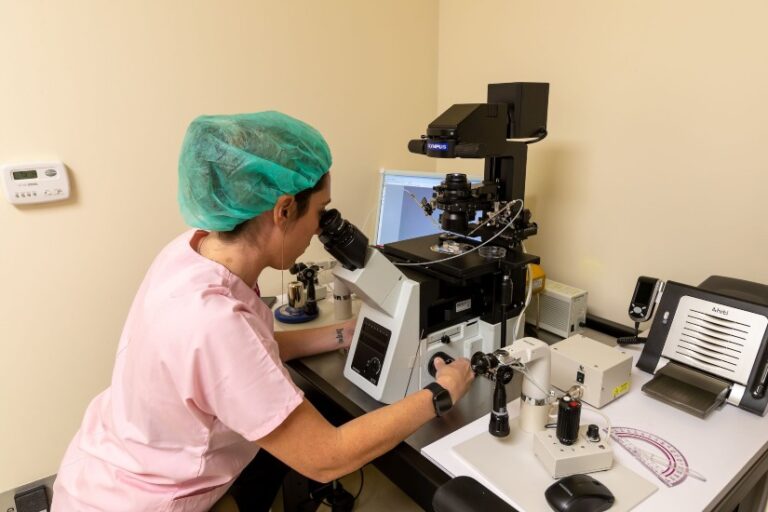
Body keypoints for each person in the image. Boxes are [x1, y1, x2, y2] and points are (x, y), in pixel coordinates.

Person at [51, 111, 475, 512]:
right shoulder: (213, 321)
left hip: (101, 467)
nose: (321, 227)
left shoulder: (191, 249)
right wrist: (441, 393)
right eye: (320, 212)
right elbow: (327, 457)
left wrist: (345, 333)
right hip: (145, 501)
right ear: (284, 209)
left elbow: (246, 351)